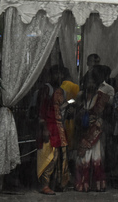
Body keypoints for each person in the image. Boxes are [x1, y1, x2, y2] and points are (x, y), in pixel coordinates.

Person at [74, 65, 110, 192]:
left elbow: (107, 114)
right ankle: (83, 184)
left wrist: (98, 121)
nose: (90, 84)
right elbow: (74, 112)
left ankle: (96, 184)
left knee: (96, 157)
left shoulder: (102, 97)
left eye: (93, 82)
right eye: (88, 81)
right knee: (83, 157)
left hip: (96, 131)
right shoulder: (80, 96)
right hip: (83, 131)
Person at [37, 65, 71, 195]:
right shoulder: (46, 89)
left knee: (58, 157)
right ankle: (44, 185)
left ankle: (56, 183)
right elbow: (41, 112)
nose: (59, 77)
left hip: (58, 128)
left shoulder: (60, 91)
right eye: (56, 74)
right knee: (48, 157)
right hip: (49, 127)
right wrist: (44, 128)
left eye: (61, 74)